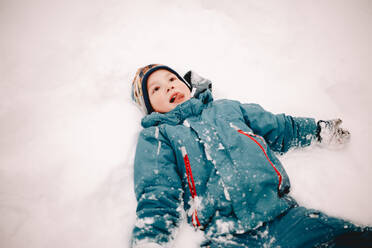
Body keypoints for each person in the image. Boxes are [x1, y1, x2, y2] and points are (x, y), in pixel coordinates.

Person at [130, 64, 371, 248]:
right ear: (151, 107)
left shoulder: (227, 109)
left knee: (349, 239)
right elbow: (157, 190)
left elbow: (278, 127)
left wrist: (318, 130)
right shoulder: (158, 136)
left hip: (283, 216)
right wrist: (151, 240)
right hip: (226, 236)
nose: (169, 86)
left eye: (172, 79)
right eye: (156, 89)